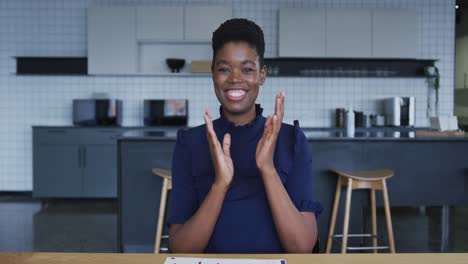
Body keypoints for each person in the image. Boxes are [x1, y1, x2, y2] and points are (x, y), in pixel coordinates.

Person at [167, 18, 322, 253]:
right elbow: (180, 251)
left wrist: (268, 169)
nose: (235, 78)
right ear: (212, 74)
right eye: (224, 69)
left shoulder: (292, 140)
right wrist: (220, 185)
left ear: (262, 74)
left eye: (247, 69)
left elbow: (301, 248)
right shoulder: (191, 144)